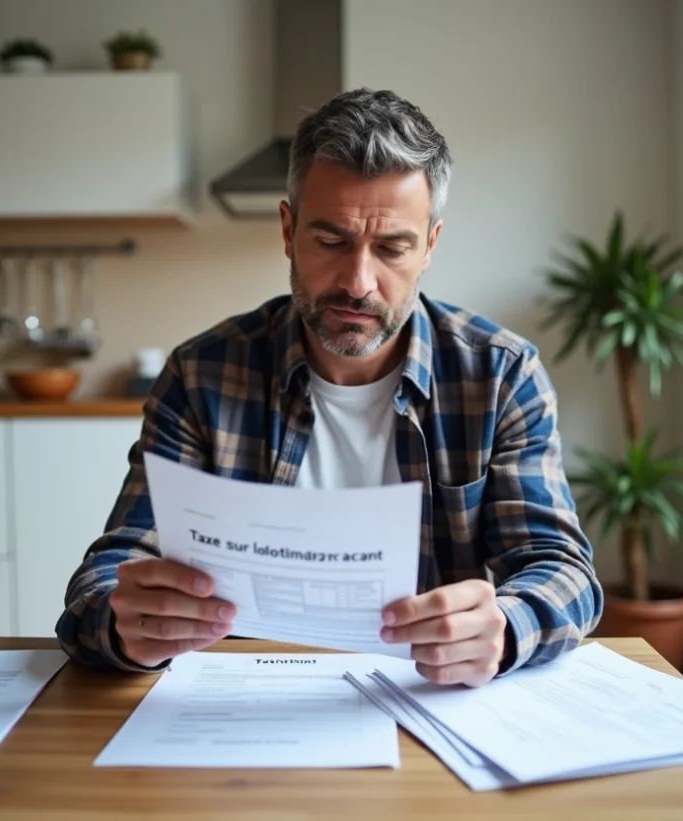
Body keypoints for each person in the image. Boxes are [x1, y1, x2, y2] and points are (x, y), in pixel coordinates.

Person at [56, 88, 602, 687]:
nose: (359, 283)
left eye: (392, 247)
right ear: (288, 231)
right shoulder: (202, 375)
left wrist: (505, 626)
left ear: (430, 247)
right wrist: (124, 626)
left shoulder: (500, 377)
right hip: (241, 701)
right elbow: (109, 571)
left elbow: (562, 569)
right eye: (332, 241)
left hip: (425, 696)